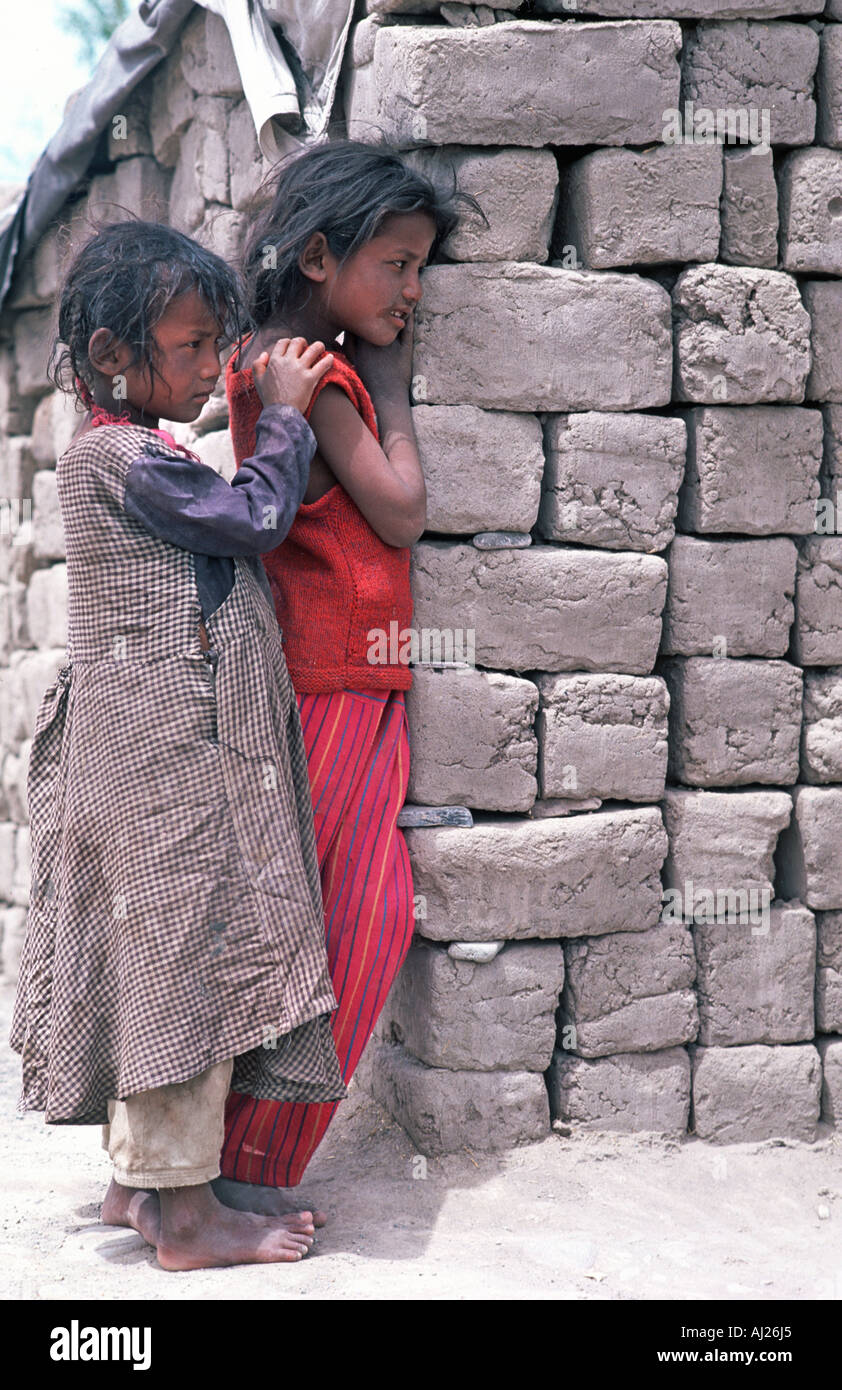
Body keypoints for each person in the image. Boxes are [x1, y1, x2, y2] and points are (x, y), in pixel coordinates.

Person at [9, 219, 346, 1270]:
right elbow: (250, 517)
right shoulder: (120, 455)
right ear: (113, 356)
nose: (210, 366)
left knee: (154, 952)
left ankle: (133, 1184)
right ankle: (188, 1222)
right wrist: (285, 418)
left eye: (215, 345)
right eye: (193, 346)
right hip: (161, 755)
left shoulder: (135, 443)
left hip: (150, 746)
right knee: (179, 964)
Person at [219, 141, 476, 1213]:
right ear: (320, 257)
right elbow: (401, 511)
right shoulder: (315, 377)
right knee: (351, 920)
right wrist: (392, 393)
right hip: (328, 683)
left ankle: (231, 1160)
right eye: (398, 265)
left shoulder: (283, 360)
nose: (413, 291)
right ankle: (243, 1168)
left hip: (354, 680)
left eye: (422, 269)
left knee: (330, 916)